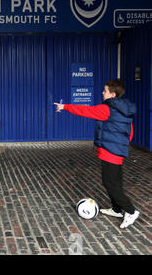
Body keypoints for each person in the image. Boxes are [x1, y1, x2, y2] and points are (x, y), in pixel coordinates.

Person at [54, 80, 140, 229]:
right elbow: (129, 132)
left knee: (110, 183)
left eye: (105, 91)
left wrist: (65, 106)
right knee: (115, 182)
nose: (102, 92)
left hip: (111, 152)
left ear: (112, 94)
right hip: (117, 151)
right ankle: (116, 209)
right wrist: (121, 144)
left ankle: (131, 211)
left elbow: (85, 111)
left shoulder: (107, 109)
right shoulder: (122, 109)